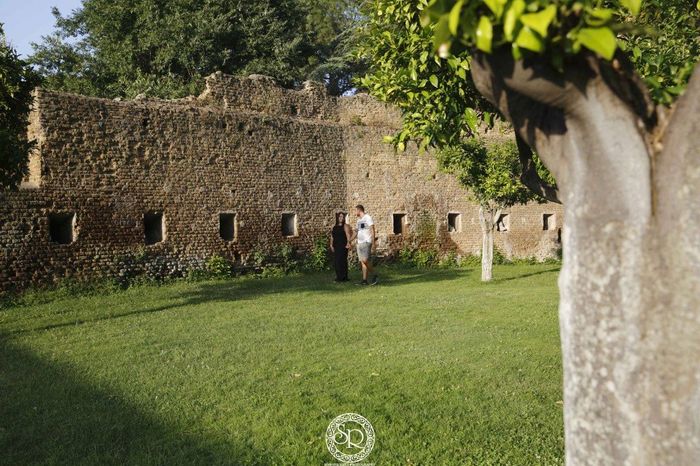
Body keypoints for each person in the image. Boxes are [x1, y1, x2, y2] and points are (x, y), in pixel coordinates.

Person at [350, 204, 378, 285]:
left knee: (365, 260)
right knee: (362, 262)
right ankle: (364, 280)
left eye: (355, 210)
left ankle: (375, 274)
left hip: (366, 242)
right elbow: (356, 232)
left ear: (359, 210)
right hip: (359, 243)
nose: (355, 212)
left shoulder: (367, 217)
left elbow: (372, 229)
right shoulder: (358, 221)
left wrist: (373, 243)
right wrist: (350, 240)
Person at [330, 212, 351, 282]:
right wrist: (331, 245)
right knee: (336, 262)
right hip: (336, 246)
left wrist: (348, 243)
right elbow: (332, 236)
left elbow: (348, 235)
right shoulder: (334, 227)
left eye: (342, 217)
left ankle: (343, 277)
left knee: (342, 261)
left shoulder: (345, 226)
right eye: (340, 217)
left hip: (343, 246)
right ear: (337, 218)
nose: (341, 218)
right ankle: (339, 276)